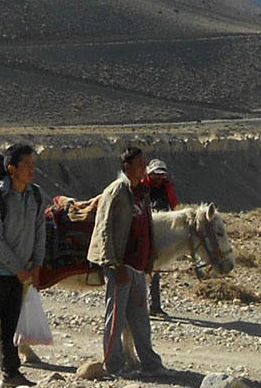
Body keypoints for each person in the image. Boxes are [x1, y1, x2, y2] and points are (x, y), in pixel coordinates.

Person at [86, 146, 166, 377]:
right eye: (139, 164)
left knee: (140, 317)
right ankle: (113, 365)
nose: (143, 168)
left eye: (144, 163)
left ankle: (150, 363)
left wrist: (150, 257)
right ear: (126, 167)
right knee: (116, 318)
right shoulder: (117, 191)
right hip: (121, 264)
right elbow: (105, 228)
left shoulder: (141, 191)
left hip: (138, 265)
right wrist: (114, 263)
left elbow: (146, 225)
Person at [0, 144, 46, 388]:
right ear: (12, 169)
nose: (32, 169)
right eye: (27, 165)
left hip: (19, 275)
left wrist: (37, 264)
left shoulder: (34, 195)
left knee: (11, 328)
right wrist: (18, 268)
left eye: (33, 164)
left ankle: (11, 373)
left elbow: (40, 231)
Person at [139, 158, 180, 317]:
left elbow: (174, 205)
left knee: (154, 269)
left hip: (159, 231)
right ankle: (141, 305)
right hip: (142, 229)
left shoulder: (166, 186)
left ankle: (154, 306)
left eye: (161, 175)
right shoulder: (142, 186)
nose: (159, 178)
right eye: (156, 174)